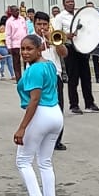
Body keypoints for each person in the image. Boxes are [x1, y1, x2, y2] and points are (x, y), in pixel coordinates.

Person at [14, 34, 64, 196]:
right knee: (45, 162)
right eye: (22, 49)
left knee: (23, 161)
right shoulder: (50, 65)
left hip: (41, 113)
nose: (25, 52)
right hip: (55, 113)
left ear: (39, 49)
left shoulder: (34, 70)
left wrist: (22, 128)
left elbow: (34, 100)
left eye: (29, 49)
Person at [54, 0, 99, 113]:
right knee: (73, 78)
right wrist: (67, 36)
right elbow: (57, 35)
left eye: (72, 1)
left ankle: (89, 103)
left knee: (86, 77)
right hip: (70, 49)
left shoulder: (79, 14)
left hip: (82, 48)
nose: (71, 3)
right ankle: (74, 105)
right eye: (68, 2)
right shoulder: (60, 17)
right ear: (64, 4)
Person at [34, 11, 69, 151]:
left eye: (45, 24)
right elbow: (24, 56)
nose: (42, 27)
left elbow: (64, 53)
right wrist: (40, 47)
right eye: (39, 24)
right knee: (38, 109)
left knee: (57, 108)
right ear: (34, 24)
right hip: (37, 77)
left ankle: (56, 140)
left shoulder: (54, 36)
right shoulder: (30, 39)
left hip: (55, 76)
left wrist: (54, 42)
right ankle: (38, 139)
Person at [4, 6, 29, 79]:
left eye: (18, 10)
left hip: (24, 44)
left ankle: (26, 78)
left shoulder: (22, 19)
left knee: (26, 61)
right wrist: (9, 47)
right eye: (15, 11)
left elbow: (26, 30)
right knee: (16, 63)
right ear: (11, 12)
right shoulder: (9, 21)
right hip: (15, 45)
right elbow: (8, 35)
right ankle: (19, 79)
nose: (17, 12)